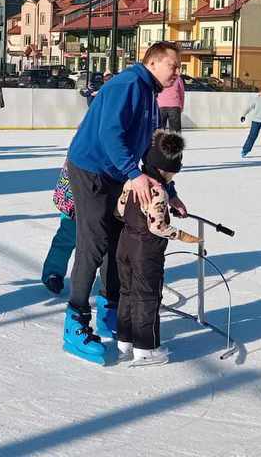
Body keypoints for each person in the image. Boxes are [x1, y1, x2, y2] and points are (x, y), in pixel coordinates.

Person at [62, 41, 189, 365]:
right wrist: (133, 175)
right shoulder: (128, 85)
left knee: (119, 243)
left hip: (117, 171)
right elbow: (109, 134)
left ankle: (109, 310)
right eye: (173, 66)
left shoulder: (149, 93)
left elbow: (143, 145)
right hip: (91, 169)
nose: (178, 72)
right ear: (154, 62)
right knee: (93, 243)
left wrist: (166, 191)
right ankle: (74, 323)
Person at [114, 130, 199, 367]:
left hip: (125, 244)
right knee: (147, 297)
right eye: (173, 172)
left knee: (127, 293)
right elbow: (157, 226)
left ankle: (124, 341)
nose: (173, 177)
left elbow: (120, 210)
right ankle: (146, 348)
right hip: (146, 251)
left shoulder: (133, 182)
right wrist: (182, 235)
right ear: (165, 169)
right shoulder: (159, 192)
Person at [41, 163, 77, 295]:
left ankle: (112, 279)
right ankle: (53, 273)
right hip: (80, 180)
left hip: (114, 183)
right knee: (68, 233)